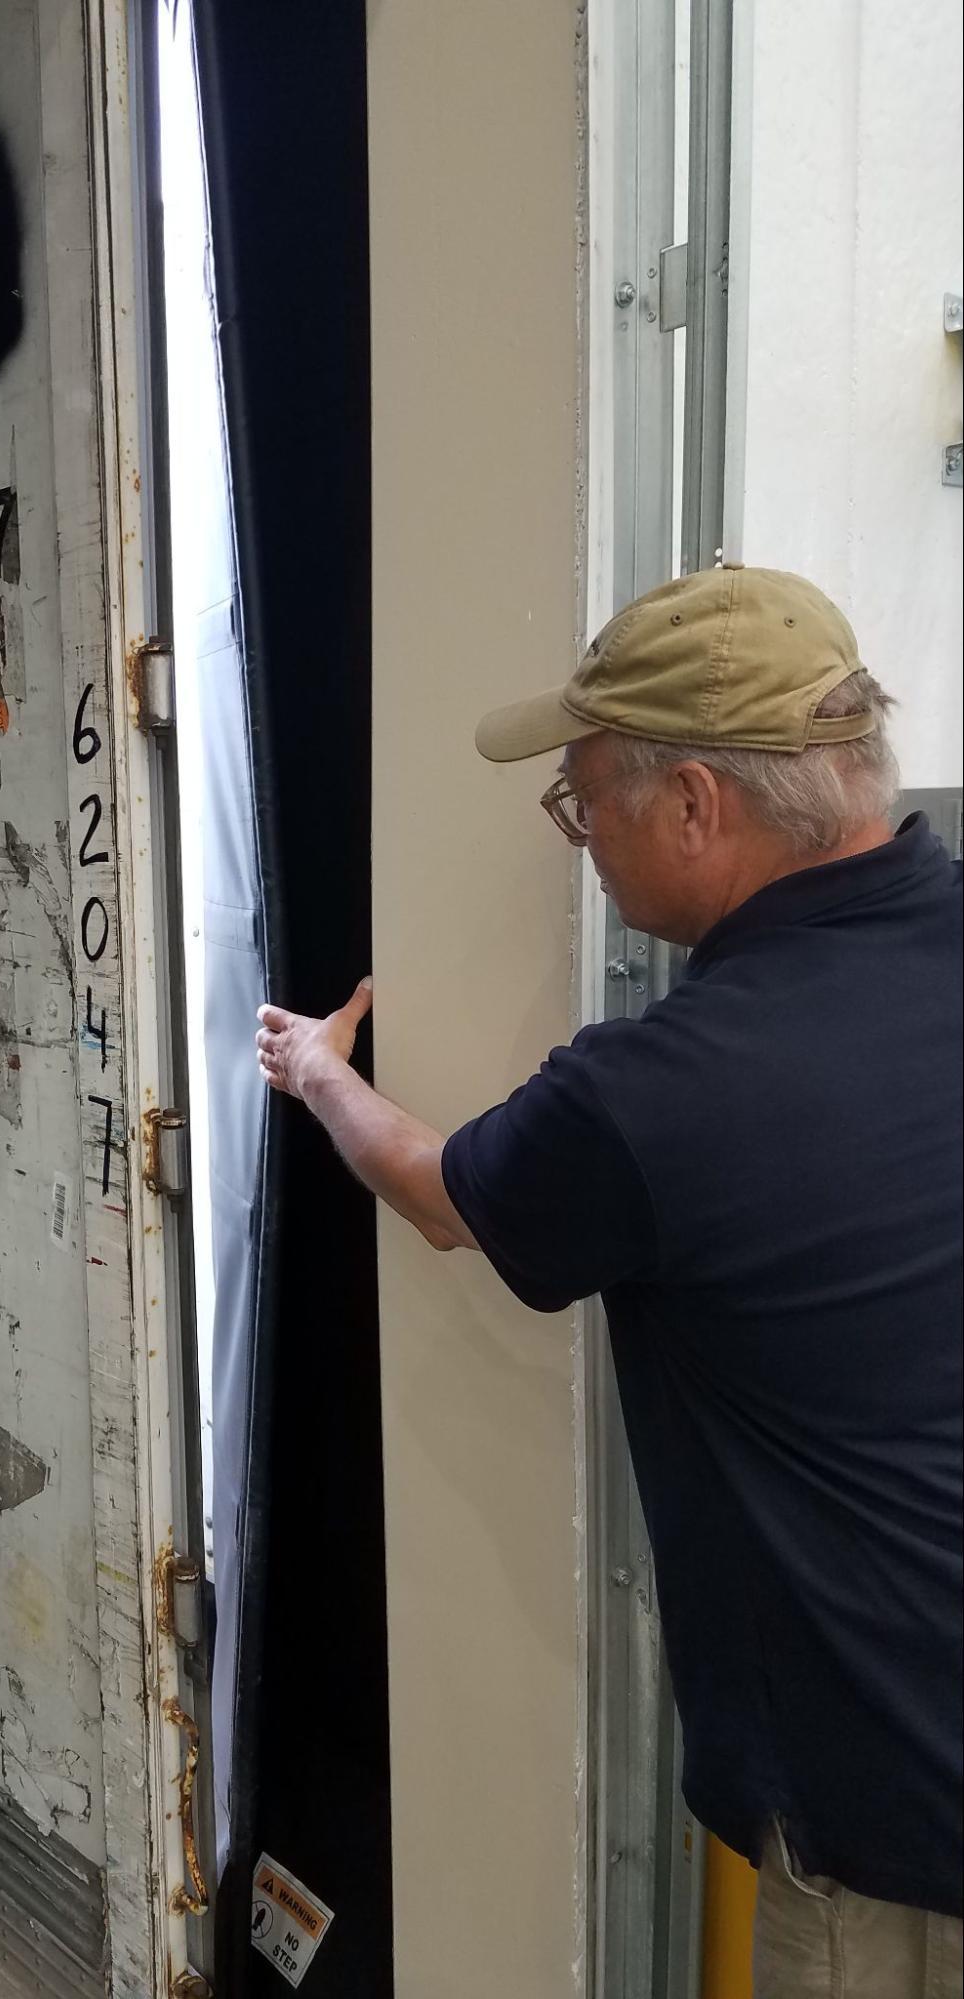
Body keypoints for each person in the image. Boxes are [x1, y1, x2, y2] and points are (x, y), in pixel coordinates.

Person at [254, 565, 962, 1999]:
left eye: (587, 805)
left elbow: (446, 1193)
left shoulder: (667, 1092)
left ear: (696, 804)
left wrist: (320, 1076)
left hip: (902, 1825)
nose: (582, 842)